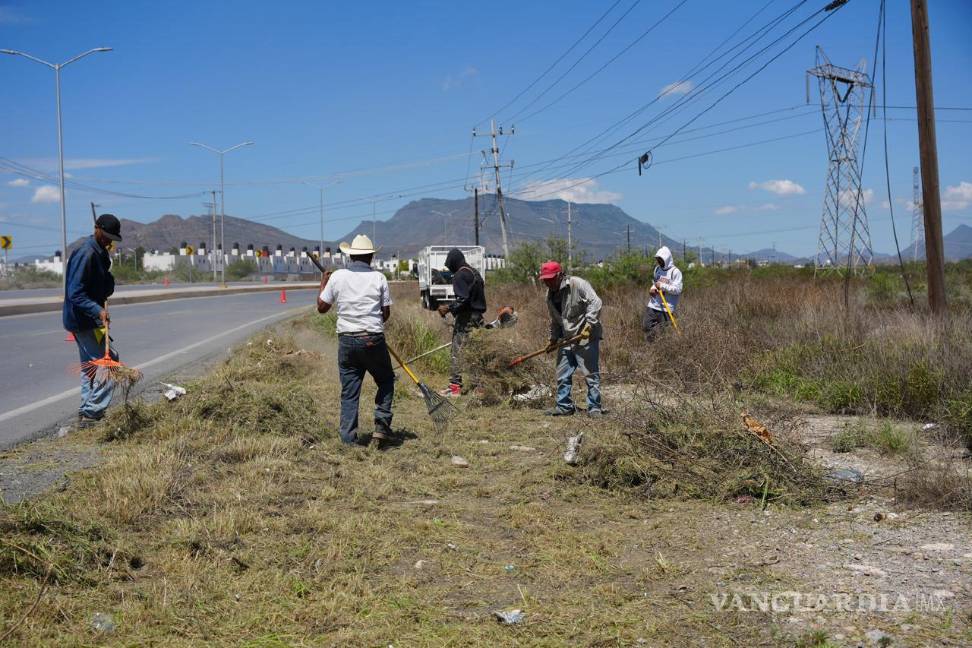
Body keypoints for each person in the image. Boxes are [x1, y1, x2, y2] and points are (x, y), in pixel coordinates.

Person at [317, 234, 395, 448]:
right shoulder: (379, 278)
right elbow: (385, 313)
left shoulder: (338, 277)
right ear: (371, 257)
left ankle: (348, 439)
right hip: (372, 338)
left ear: (350, 256)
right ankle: (381, 427)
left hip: (347, 341)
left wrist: (323, 283)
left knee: (350, 390)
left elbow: (322, 308)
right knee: (386, 381)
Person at [63, 214, 121, 427]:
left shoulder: (99, 253)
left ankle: (86, 411)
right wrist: (97, 310)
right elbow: (75, 293)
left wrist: (108, 278)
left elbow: (104, 285)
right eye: (105, 235)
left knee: (91, 366)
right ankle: (93, 412)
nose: (108, 240)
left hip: (90, 320)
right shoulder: (87, 253)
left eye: (111, 238)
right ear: (96, 229)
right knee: (110, 362)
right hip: (84, 320)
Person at [540, 260, 603, 417]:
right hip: (566, 338)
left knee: (590, 374)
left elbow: (595, 302)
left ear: (560, 275)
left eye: (551, 279)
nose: (548, 283)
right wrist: (553, 339)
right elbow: (555, 320)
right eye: (545, 280)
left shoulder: (577, 284)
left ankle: (594, 407)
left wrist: (590, 324)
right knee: (562, 374)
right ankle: (564, 406)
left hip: (585, 336)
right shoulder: (549, 296)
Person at [436, 248, 486, 396]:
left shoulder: (459, 275)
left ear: (453, 262)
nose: (449, 269)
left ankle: (455, 388)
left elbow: (463, 299)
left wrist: (448, 308)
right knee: (476, 351)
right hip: (478, 317)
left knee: (457, 352)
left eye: (449, 265)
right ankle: (480, 387)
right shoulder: (474, 273)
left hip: (466, 318)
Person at [643, 246, 683, 341]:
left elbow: (677, 289)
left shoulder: (675, 272)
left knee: (663, 332)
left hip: (666, 307)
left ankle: (659, 348)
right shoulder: (657, 269)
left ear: (667, 259)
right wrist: (652, 289)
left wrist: (662, 286)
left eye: (660, 260)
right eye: (658, 260)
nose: (659, 262)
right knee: (646, 325)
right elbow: (655, 283)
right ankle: (651, 345)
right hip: (654, 304)